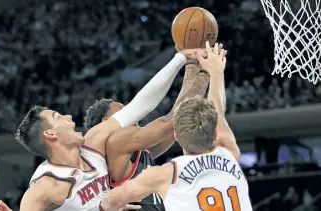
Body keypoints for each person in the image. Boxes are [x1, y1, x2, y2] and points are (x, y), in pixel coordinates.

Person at [0, 49, 206, 211]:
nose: (69, 117)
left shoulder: (93, 142)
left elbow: (140, 105)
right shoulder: (46, 185)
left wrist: (180, 58)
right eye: (58, 117)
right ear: (50, 134)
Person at [99, 42, 253, 211]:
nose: (133, 118)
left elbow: (108, 203)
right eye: (124, 117)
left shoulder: (165, 173)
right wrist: (213, 71)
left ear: (177, 137)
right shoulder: (229, 155)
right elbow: (216, 115)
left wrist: (194, 67)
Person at [82, 61, 211, 211]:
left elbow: (175, 123)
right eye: (124, 112)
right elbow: (174, 119)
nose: (133, 115)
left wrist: (191, 66)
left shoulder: (134, 151)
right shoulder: (117, 141)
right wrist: (206, 73)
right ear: (106, 122)